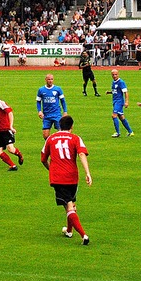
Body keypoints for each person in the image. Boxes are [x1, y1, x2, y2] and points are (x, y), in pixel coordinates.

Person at [40, 115, 92, 245]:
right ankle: (69, 231)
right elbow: (81, 154)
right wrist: (87, 173)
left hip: (58, 178)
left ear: (59, 125)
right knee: (71, 204)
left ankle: (84, 235)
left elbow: (43, 159)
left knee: (69, 206)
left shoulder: (51, 138)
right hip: (72, 177)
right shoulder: (76, 138)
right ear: (71, 126)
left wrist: (51, 169)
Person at [36, 74, 68, 140]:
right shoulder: (41, 90)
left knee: (61, 133)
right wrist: (39, 111)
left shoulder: (58, 89)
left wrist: (65, 111)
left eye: (52, 79)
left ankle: (59, 147)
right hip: (46, 115)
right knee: (45, 135)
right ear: (45, 80)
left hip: (56, 114)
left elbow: (63, 101)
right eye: (49, 79)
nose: (50, 81)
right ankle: (50, 147)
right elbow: (38, 101)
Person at [106, 69, 134, 138]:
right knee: (121, 117)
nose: (115, 76)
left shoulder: (121, 82)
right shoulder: (113, 82)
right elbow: (115, 91)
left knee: (114, 115)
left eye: (116, 74)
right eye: (113, 75)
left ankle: (117, 133)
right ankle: (131, 132)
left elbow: (126, 92)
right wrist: (110, 92)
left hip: (119, 101)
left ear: (118, 74)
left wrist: (127, 101)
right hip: (115, 101)